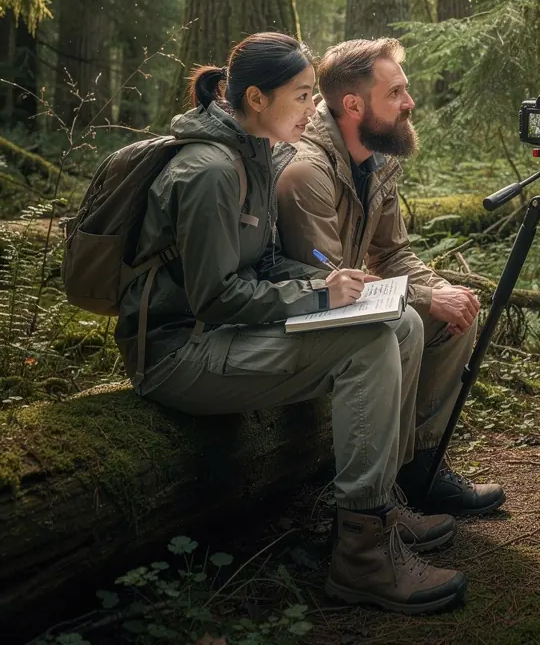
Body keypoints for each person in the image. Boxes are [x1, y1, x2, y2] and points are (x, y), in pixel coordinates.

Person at [115, 32, 467, 615]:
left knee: (400, 324)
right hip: (180, 353)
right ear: (256, 98)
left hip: (227, 335)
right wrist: (313, 298)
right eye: (303, 97)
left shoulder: (255, 153)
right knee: (371, 338)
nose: (314, 109)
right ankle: (362, 555)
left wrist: (326, 286)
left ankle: (382, 505)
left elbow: (263, 261)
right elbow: (215, 298)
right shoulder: (209, 171)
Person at [276, 38, 506, 516]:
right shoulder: (306, 172)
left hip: (344, 299)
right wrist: (423, 301)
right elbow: (328, 287)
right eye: (396, 93)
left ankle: (418, 467)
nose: (410, 102)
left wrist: (439, 290)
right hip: (298, 316)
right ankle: (375, 498)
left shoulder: (377, 157)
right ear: (354, 104)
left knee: (453, 309)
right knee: (416, 320)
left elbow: (393, 252)